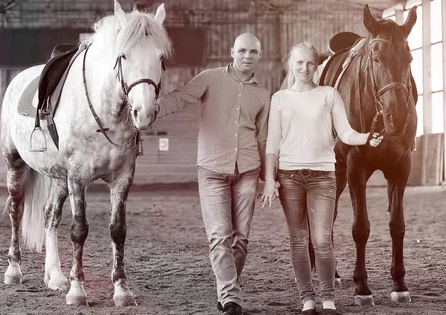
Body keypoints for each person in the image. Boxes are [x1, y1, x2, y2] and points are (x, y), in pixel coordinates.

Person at [259, 42, 383, 315]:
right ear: (292, 64)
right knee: (298, 239)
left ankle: (327, 300)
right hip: (289, 177)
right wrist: (269, 179)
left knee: (322, 239)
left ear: (317, 66)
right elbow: (272, 144)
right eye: (300, 63)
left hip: (324, 177)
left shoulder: (329, 94)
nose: (305, 68)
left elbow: (346, 132)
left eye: (310, 63)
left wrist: (366, 138)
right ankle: (307, 300)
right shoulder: (279, 98)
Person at [157, 33, 271, 315]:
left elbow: (264, 139)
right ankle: (231, 296)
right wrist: (151, 110)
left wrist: (269, 177)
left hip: (248, 170)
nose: (247, 56)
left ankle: (227, 287)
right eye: (242, 50)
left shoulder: (263, 94)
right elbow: (180, 98)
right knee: (220, 236)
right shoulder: (209, 78)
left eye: (253, 52)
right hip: (212, 170)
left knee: (241, 238)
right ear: (232, 51)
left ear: (259, 55)